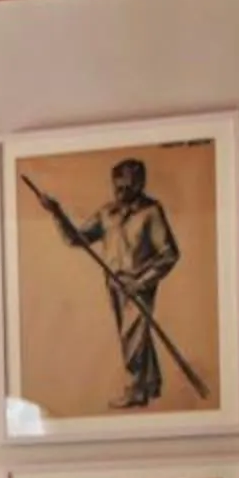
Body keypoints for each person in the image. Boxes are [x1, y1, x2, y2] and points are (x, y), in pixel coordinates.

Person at [52, 159, 181, 407]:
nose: (121, 193)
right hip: (113, 282)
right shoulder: (106, 213)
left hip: (139, 283)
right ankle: (151, 383)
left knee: (131, 336)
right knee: (134, 335)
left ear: (140, 184)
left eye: (127, 187)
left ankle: (136, 391)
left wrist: (141, 282)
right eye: (117, 187)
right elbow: (76, 239)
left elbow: (169, 254)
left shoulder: (151, 212)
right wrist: (57, 214)